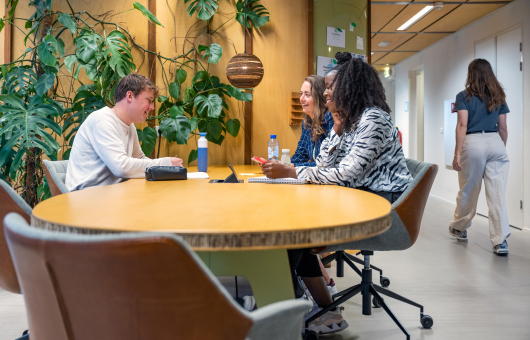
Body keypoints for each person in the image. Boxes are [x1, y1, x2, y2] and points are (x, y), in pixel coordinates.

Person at [66, 73, 183, 191]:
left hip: (110, 194)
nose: (152, 107)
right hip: (86, 198)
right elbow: (121, 167)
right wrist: (165, 163)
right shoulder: (102, 121)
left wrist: (166, 169)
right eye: (149, 100)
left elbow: (140, 159)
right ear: (130, 96)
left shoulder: (129, 126)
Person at [449, 59, 510, 256]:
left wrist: (457, 153)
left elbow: (462, 125)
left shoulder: (463, 96)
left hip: (473, 142)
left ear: (471, 74)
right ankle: (500, 242)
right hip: (495, 142)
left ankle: (460, 227)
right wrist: (499, 148)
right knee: (497, 194)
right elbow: (503, 127)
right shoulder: (498, 95)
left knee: (468, 189)